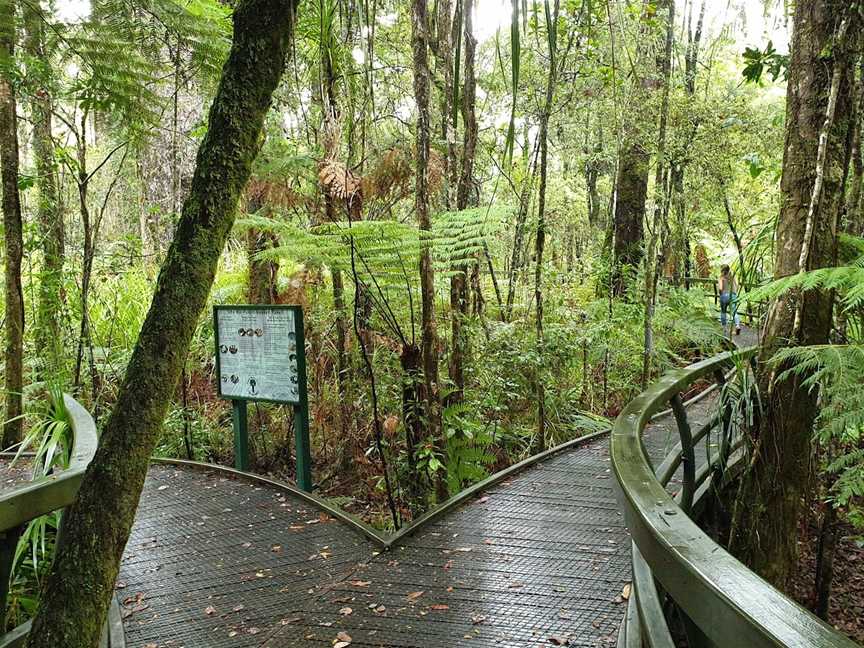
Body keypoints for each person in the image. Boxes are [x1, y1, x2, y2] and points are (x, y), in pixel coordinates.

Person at [718, 265, 741, 336]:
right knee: (734, 312)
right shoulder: (733, 276)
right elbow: (737, 286)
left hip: (724, 296)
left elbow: (721, 288)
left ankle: (724, 329)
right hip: (733, 295)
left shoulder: (721, 278)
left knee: (723, 311)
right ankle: (737, 326)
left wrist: (720, 294)